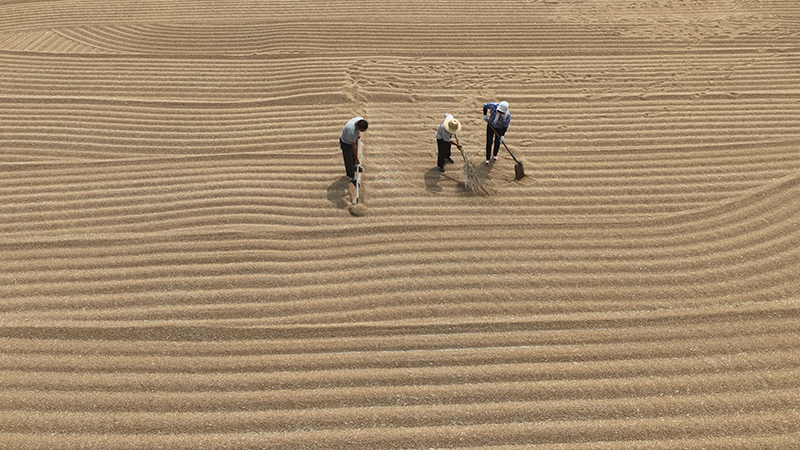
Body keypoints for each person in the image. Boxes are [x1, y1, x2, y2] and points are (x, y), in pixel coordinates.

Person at [339, 117, 368, 185]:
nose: (362, 132)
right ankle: (352, 177)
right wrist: (356, 158)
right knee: (349, 159)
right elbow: (354, 147)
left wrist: (359, 133)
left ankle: (355, 166)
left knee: (353, 156)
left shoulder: (360, 119)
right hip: (346, 143)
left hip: (353, 140)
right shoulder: (352, 132)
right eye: (361, 130)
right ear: (357, 126)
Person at [482, 101, 510, 165]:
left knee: (497, 142)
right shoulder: (493, 106)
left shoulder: (508, 116)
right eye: (499, 111)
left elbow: (505, 127)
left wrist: (502, 135)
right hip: (491, 126)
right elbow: (485, 105)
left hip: (500, 129)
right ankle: (488, 158)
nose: (500, 113)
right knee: (489, 142)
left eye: (502, 112)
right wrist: (485, 114)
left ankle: (495, 155)